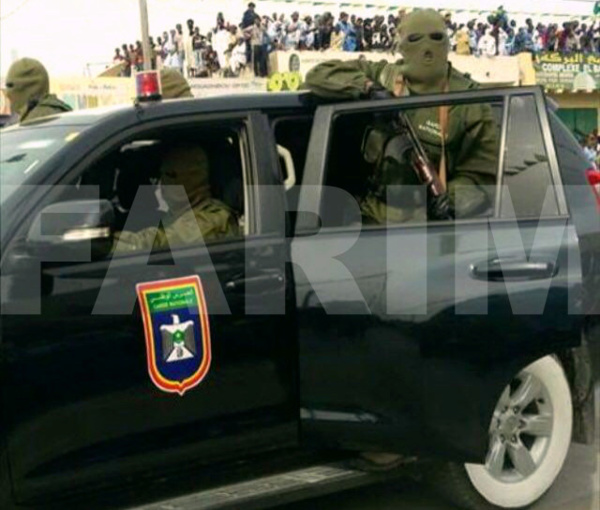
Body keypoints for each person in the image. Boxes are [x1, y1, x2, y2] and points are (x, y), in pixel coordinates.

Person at [304, 8, 498, 227]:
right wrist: (368, 88)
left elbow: (482, 175)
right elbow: (318, 74)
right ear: (402, 46)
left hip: (427, 224)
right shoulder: (385, 76)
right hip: (373, 213)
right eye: (416, 39)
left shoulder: (469, 101)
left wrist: (451, 200)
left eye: (436, 38)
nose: (427, 50)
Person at [114, 144, 239, 253]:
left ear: (191, 179)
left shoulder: (214, 219)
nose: (162, 183)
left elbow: (158, 243)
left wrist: (104, 244)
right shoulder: (174, 215)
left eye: (170, 176)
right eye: (160, 175)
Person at [5, 58, 72, 124]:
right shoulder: (62, 111)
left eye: (10, 86)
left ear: (29, 88)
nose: (7, 93)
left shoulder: (36, 120)